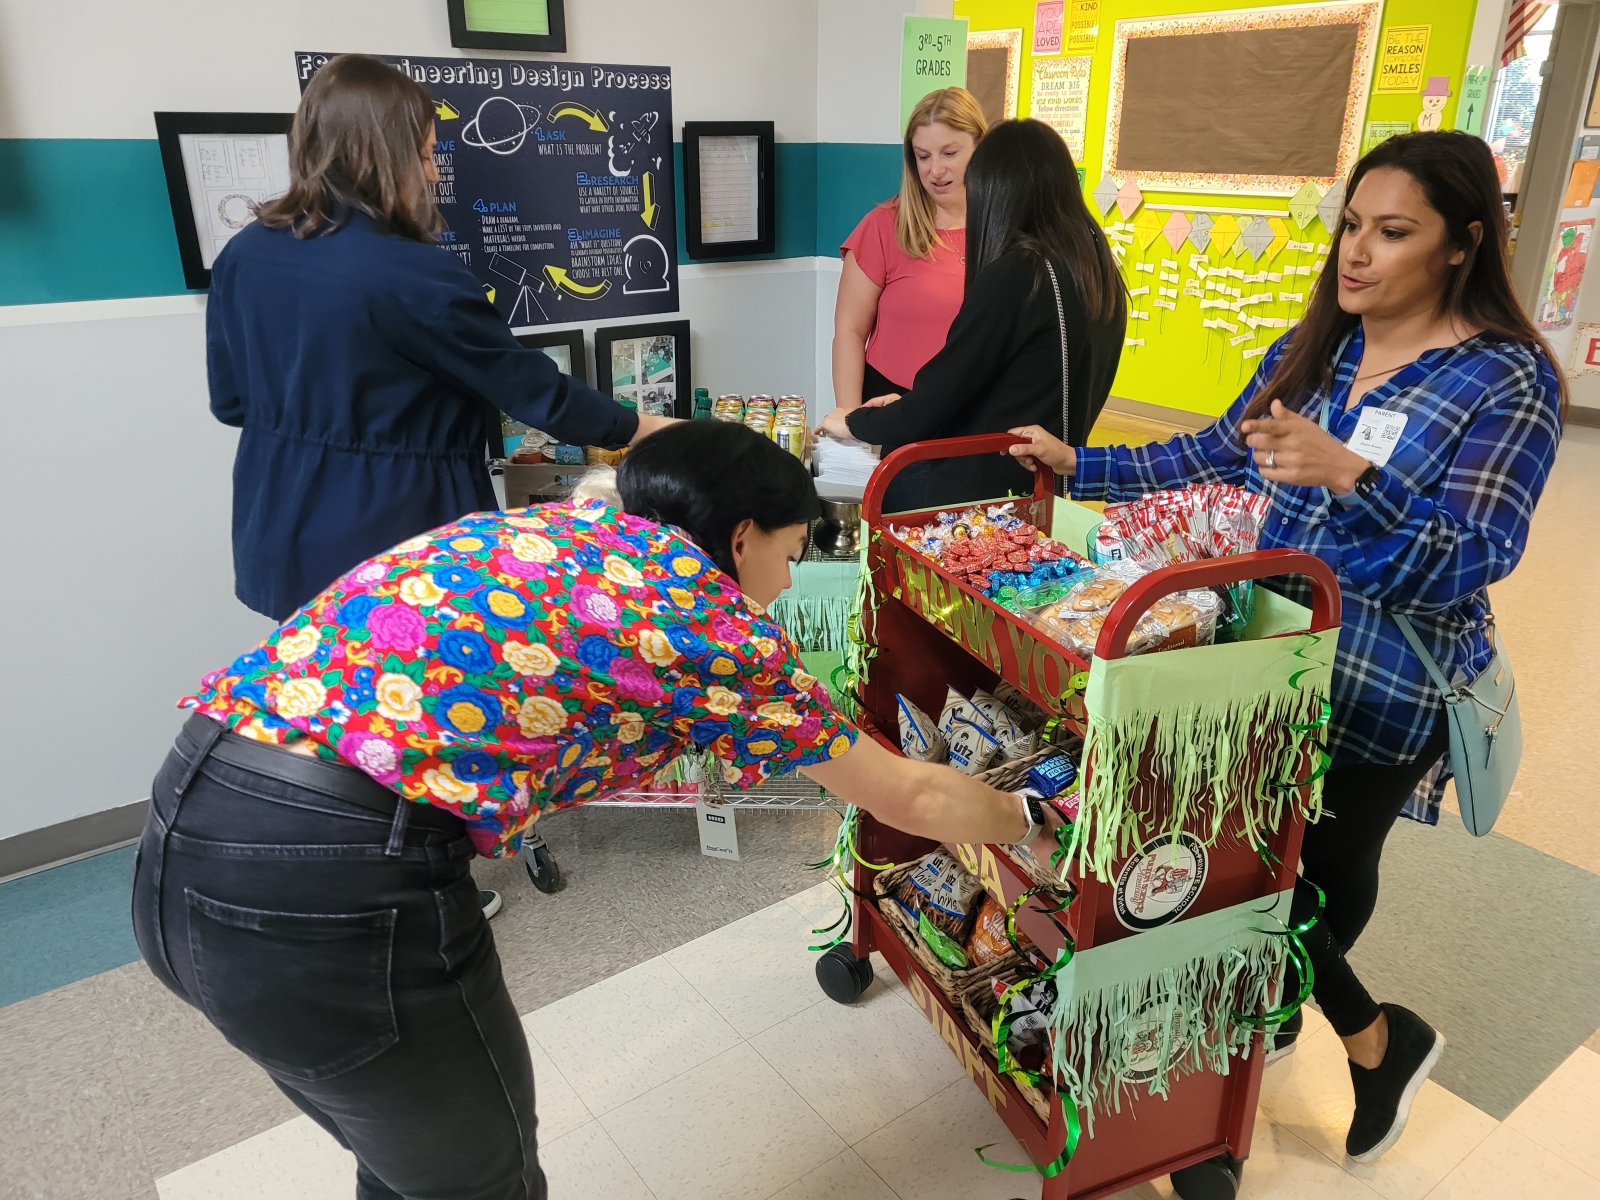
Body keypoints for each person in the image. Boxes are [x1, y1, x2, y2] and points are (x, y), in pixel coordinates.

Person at [131, 421, 1070, 1200]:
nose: (787, 583)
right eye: (789, 556)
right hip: (333, 888)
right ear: (742, 537)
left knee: (408, 1164)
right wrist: (1027, 818)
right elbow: (909, 791)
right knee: (482, 1183)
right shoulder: (706, 621)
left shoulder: (568, 526)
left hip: (187, 816)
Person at [1007, 131, 1564, 1163]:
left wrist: (1351, 474)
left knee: (1316, 871)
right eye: (1351, 225)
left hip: (1383, 684)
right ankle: (1351, 1033)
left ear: (1462, 244)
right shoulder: (1317, 346)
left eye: (1392, 232)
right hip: (1262, 658)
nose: (1356, 251)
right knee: (1242, 862)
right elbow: (1212, 451)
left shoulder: (1505, 379)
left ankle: (1326, 1037)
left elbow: (1473, 557)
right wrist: (1080, 463)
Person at [209, 53, 671, 625]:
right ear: (380, 155)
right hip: (395, 535)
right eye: (425, 154)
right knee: (419, 677)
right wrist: (647, 428)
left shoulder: (245, 252)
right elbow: (535, 393)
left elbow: (230, 404)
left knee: (320, 677)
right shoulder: (413, 273)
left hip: (278, 525)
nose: (432, 174)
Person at [819, 118, 1126, 512]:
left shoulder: (1019, 273)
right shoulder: (1096, 268)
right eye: (924, 156)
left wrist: (855, 422)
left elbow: (944, 390)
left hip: (977, 496)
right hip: (1044, 486)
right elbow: (1013, 386)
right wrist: (901, 406)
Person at [831, 87, 987, 413]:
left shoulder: (1003, 228)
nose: (935, 170)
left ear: (980, 148)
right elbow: (849, 331)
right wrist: (848, 419)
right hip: (892, 404)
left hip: (976, 410)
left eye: (949, 153)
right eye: (923, 156)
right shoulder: (882, 226)